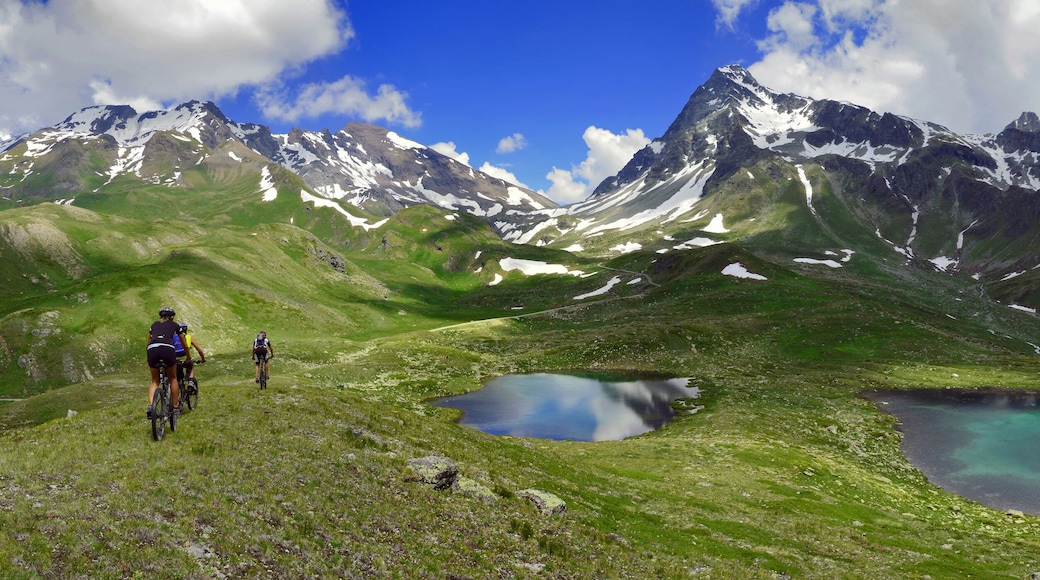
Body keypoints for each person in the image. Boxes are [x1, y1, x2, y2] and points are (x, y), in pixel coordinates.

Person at [147, 306, 189, 418]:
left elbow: (149, 340)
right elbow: (184, 343)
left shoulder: (154, 325)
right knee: (173, 378)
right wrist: (188, 357)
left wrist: (148, 356)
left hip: (152, 349)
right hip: (167, 348)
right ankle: (175, 407)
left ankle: (151, 406)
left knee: (155, 380)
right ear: (172, 317)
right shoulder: (175, 325)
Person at [175, 321, 206, 386]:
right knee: (190, 365)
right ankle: (191, 381)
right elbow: (199, 350)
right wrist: (203, 359)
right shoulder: (188, 337)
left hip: (174, 359)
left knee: (177, 375)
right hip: (185, 358)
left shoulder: (173, 337)